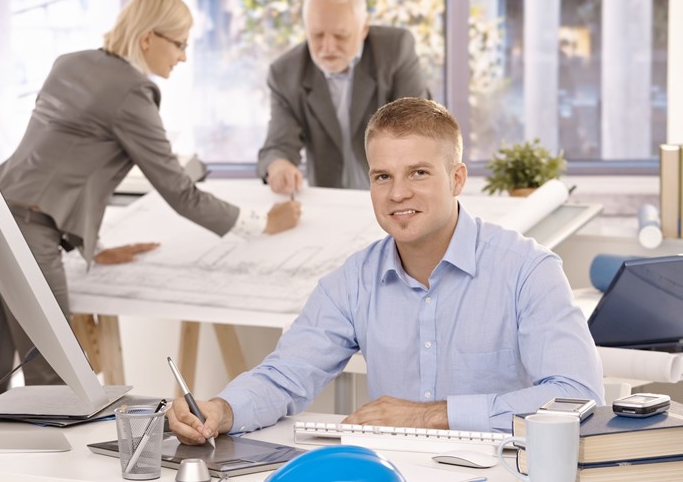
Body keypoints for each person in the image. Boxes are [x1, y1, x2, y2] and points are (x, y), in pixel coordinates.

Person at [168, 97, 604, 442]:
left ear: (457, 179)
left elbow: (577, 396)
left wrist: (430, 416)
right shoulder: (353, 281)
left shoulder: (528, 270)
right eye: (382, 177)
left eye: (418, 173)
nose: (397, 194)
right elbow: (286, 377)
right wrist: (222, 410)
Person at [0, 0, 301, 403]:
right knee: (58, 391)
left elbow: (60, 157)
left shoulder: (69, 63)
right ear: (148, 38)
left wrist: (95, 246)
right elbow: (179, 192)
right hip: (23, 239)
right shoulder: (133, 93)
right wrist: (260, 223)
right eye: (180, 44)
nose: (183, 56)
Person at [257, 0, 429, 194]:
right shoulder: (285, 73)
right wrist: (279, 166)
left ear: (364, 29)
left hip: (397, 191)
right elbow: (278, 146)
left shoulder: (395, 50)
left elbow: (418, 129)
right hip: (333, 198)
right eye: (317, 35)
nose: (328, 47)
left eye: (340, 35)